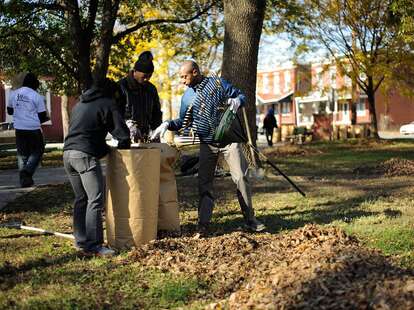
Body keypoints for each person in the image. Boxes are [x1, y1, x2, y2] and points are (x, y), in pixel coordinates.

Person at [151, 60, 265, 233]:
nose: (182, 80)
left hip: (230, 141)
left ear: (195, 72)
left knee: (241, 178)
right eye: (181, 77)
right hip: (207, 143)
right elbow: (183, 121)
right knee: (204, 183)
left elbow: (241, 96)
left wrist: (237, 101)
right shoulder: (187, 96)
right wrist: (167, 124)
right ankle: (203, 225)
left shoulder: (217, 83)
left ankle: (250, 220)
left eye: (184, 76)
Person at [63, 79, 131, 256]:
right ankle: (94, 246)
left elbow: (88, 132)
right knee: (95, 199)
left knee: (81, 198)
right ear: (113, 93)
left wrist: (105, 149)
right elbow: (122, 134)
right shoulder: (107, 103)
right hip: (84, 156)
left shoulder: (80, 103)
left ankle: (81, 241)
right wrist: (124, 147)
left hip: (68, 154)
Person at [7, 73, 49, 187]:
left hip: (19, 128)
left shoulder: (14, 94)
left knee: (23, 154)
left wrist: (20, 111)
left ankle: (25, 180)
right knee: (39, 149)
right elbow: (42, 116)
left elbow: (9, 111)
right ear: (35, 83)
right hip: (33, 128)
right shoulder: (36, 96)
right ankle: (27, 171)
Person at [118, 51, 162, 142]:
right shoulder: (121, 87)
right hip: (123, 136)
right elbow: (114, 113)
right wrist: (128, 125)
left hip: (145, 137)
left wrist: (156, 131)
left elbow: (156, 113)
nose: (147, 79)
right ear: (135, 71)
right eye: (144, 76)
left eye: (150, 76)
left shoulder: (151, 89)